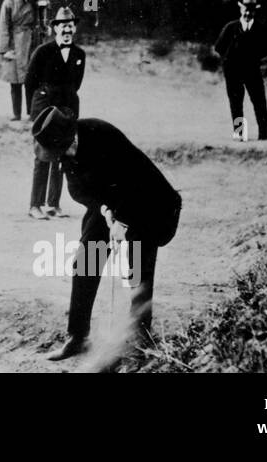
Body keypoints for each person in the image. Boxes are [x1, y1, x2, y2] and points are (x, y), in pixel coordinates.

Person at [33, 107, 182, 362]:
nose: (62, 157)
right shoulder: (64, 152)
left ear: (70, 137)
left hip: (149, 201)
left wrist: (120, 221)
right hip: (109, 204)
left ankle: (141, 342)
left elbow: (132, 180)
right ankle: (78, 337)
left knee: (137, 269)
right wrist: (106, 211)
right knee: (85, 262)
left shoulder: (101, 133)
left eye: (63, 150)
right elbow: (78, 191)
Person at [23, 7, 85, 219]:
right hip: (44, 109)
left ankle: (53, 204)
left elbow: (76, 85)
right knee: (42, 156)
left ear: (74, 28)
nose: (66, 29)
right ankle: (35, 205)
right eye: (62, 25)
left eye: (70, 25)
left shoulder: (79, 54)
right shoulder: (43, 51)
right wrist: (32, 112)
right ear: (55, 28)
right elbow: (30, 82)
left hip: (66, 110)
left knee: (61, 156)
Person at [213, 0, 267, 140]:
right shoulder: (230, 28)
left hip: (252, 71)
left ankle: (264, 133)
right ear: (241, 10)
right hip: (233, 73)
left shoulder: (261, 29)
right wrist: (228, 63)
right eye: (246, 10)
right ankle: (239, 133)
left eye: (251, 11)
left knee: (259, 101)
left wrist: (258, 62)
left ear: (255, 11)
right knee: (236, 103)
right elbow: (219, 47)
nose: (248, 13)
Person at [0, 0, 41, 122]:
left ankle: (31, 113)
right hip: (15, 44)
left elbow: (40, 20)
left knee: (31, 80)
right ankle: (16, 114)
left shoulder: (34, 1)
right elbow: (3, 26)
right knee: (15, 81)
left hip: (31, 43)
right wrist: (5, 49)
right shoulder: (8, 3)